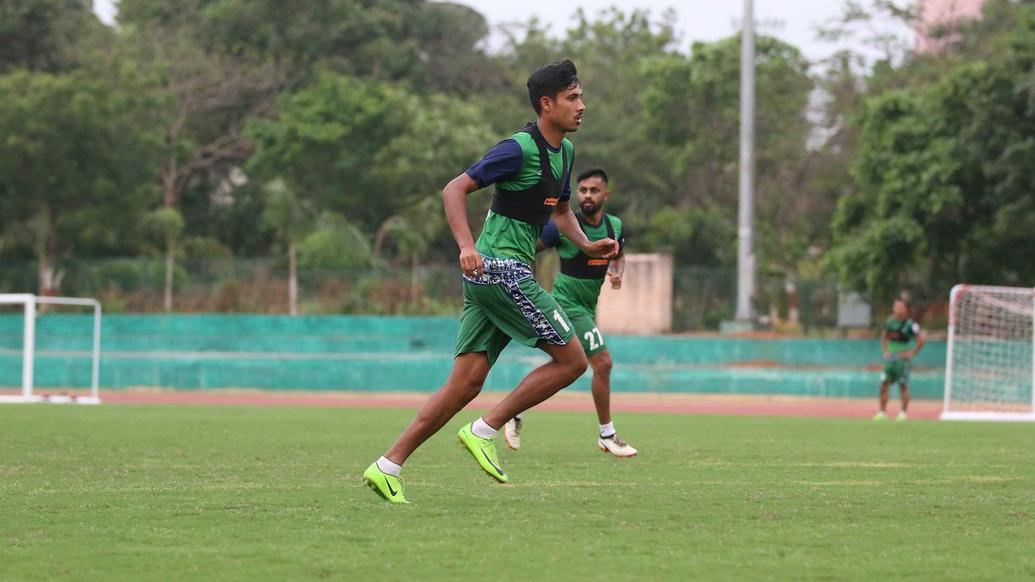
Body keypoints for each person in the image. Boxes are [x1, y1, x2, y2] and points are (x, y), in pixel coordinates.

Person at [362, 60, 619, 503]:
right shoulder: (518, 149)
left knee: (464, 384)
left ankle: (387, 465)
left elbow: (559, 212)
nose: (582, 106)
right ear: (546, 104)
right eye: (573, 98)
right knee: (574, 362)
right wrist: (466, 245)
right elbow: (453, 189)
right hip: (499, 269)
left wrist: (587, 245)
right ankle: (485, 429)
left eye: (581, 96)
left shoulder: (566, 153)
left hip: (494, 277)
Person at [504, 168, 637, 457]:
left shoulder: (614, 225)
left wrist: (617, 272)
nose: (587, 196)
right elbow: (530, 249)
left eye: (593, 190)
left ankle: (513, 411)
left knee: (563, 367)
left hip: (588, 307)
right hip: (567, 305)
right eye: (582, 190)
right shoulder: (565, 225)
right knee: (602, 364)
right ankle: (607, 434)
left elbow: (619, 256)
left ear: (606, 194)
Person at [874, 298, 925, 422]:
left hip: (902, 360)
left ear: (905, 310)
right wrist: (885, 351)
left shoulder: (911, 324)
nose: (897, 310)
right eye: (896, 307)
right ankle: (882, 412)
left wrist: (912, 353)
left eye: (900, 307)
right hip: (889, 360)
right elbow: (884, 337)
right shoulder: (889, 322)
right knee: (884, 384)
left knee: (903, 385)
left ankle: (903, 413)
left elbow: (921, 339)